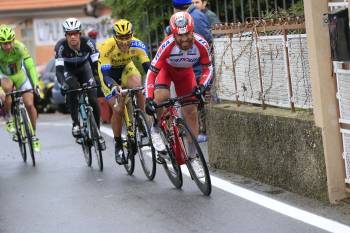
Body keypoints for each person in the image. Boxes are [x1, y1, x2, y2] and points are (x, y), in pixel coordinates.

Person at [144, 12, 213, 174]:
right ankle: (155, 129)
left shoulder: (201, 43)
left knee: (191, 111)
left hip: (185, 73)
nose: (184, 39)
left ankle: (193, 156)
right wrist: (148, 98)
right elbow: (151, 73)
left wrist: (202, 85)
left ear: (192, 31)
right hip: (166, 71)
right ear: (173, 34)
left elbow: (208, 68)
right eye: (179, 36)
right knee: (161, 97)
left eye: (187, 34)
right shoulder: (167, 45)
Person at [99, 19, 151, 165]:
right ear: (115, 36)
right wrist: (114, 86)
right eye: (120, 37)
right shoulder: (107, 47)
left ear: (132, 35)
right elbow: (106, 75)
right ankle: (118, 144)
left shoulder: (138, 44)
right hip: (109, 74)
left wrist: (154, 83)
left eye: (127, 36)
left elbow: (148, 67)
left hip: (126, 67)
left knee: (138, 86)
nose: (124, 41)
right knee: (118, 109)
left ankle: (142, 120)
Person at [55, 17, 105, 149]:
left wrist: (100, 79)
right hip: (69, 71)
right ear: (66, 35)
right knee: (73, 89)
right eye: (69, 34)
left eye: (75, 33)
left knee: (93, 99)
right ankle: (76, 123)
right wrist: (62, 84)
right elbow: (59, 71)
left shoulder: (88, 43)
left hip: (85, 68)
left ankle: (97, 133)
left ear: (79, 34)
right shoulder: (60, 47)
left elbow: (96, 65)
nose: (73, 37)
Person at [0, 24, 41, 152]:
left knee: (29, 104)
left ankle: (33, 135)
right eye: (4, 43)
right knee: (6, 91)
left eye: (9, 42)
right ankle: (8, 117)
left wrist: (35, 83)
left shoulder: (20, 47)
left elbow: (30, 66)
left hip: (20, 75)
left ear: (13, 40)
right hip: (5, 75)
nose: (7, 46)